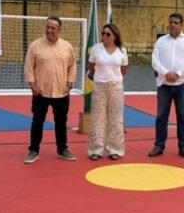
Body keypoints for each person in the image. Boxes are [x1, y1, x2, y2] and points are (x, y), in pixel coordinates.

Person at [24, 16, 77, 164]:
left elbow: (73, 66)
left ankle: (62, 149)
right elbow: (29, 66)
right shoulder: (35, 46)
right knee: (37, 121)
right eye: (47, 27)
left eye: (52, 28)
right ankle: (33, 150)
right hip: (40, 91)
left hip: (61, 92)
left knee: (61, 121)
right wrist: (32, 85)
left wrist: (70, 83)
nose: (49, 30)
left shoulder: (67, 47)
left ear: (59, 30)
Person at [148, 12, 184, 159]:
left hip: (182, 84)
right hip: (164, 84)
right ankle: (159, 145)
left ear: (181, 25)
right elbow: (154, 60)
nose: (172, 25)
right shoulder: (161, 41)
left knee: (183, 116)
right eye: (171, 22)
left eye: (176, 22)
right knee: (161, 116)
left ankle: (183, 146)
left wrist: (178, 74)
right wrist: (166, 73)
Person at [87, 23, 129, 161]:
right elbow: (91, 66)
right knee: (98, 118)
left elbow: (124, 69)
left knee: (116, 119)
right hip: (100, 86)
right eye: (103, 33)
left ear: (115, 36)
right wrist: (100, 76)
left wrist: (113, 77)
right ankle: (96, 149)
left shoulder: (122, 51)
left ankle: (115, 149)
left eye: (108, 34)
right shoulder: (96, 49)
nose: (105, 36)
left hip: (116, 87)